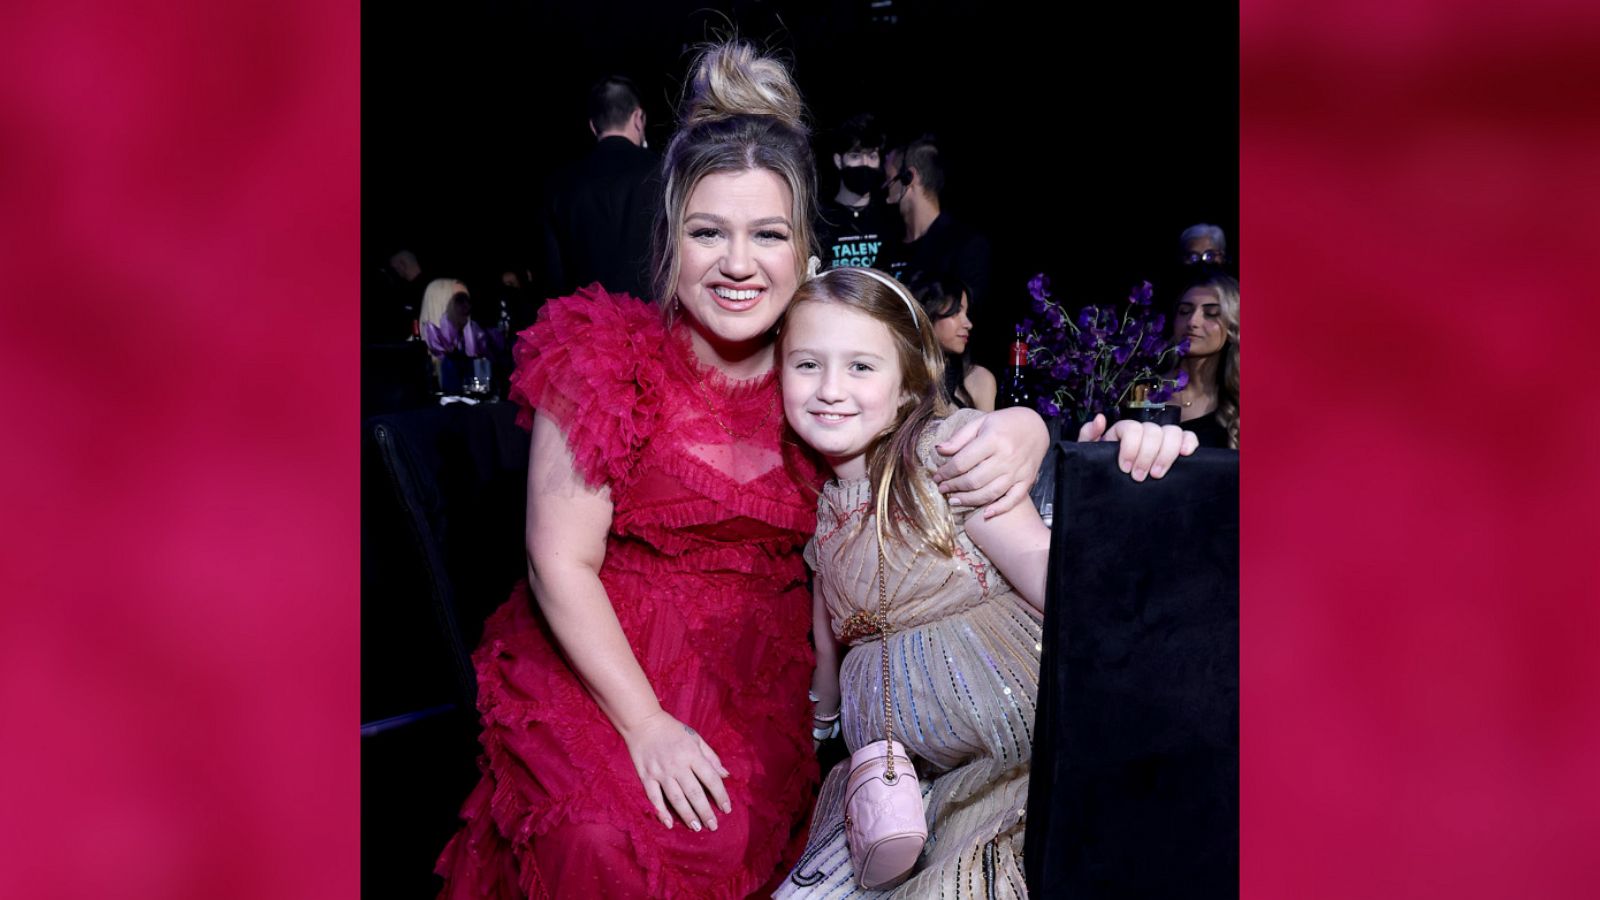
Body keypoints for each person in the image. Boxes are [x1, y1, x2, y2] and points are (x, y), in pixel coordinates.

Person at [433, 42, 1059, 900]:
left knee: (736, 853)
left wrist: (1027, 429)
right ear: (669, 241)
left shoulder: (818, 379)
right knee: (603, 843)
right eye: (707, 233)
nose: (738, 262)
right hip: (609, 664)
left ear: (804, 246)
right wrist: (647, 726)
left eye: (767, 233)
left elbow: (926, 430)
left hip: (761, 683)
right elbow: (557, 561)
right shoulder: (603, 356)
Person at [771, 267, 1198, 896]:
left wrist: (1126, 509)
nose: (831, 388)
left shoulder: (946, 455)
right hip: (901, 782)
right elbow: (828, 635)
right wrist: (817, 728)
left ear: (907, 384)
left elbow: (1037, 562)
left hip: (1002, 760)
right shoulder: (821, 503)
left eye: (861, 367)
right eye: (807, 364)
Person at [539, 75, 660, 300]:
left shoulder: (560, 184)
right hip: (651, 320)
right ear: (638, 118)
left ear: (593, 126)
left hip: (584, 324)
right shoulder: (662, 171)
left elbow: (554, 276)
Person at [879, 135, 991, 308]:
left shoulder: (965, 246)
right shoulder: (889, 247)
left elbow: (966, 316)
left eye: (888, 177)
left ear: (909, 177)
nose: (885, 186)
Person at [815, 113, 900, 270]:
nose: (865, 164)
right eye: (855, 156)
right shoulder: (820, 220)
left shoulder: (891, 219)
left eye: (872, 156)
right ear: (838, 161)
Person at [1166, 269, 1239, 448]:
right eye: (1184, 311)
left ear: (1232, 326)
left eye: (1211, 313)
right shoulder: (1143, 390)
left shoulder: (1239, 402)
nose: (1192, 322)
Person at [908, 270, 995, 410]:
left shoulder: (978, 379)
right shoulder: (900, 377)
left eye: (966, 313)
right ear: (928, 315)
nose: (968, 324)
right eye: (956, 312)